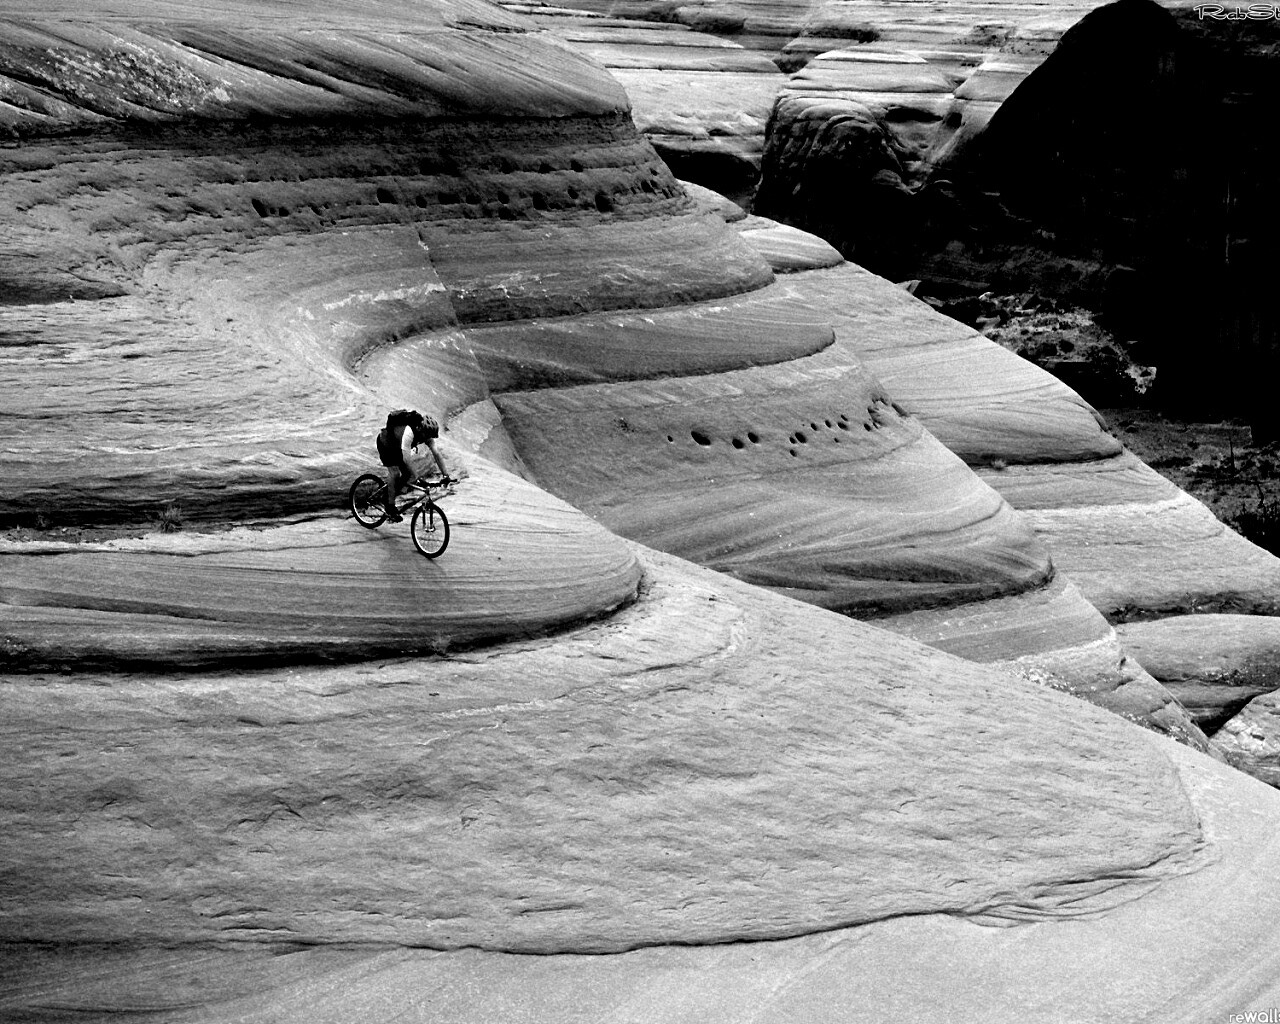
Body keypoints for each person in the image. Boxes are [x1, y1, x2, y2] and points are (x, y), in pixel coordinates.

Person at [377, 409, 450, 521]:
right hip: (386, 443)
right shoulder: (409, 432)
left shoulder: (426, 435)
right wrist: (416, 476)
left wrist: (446, 475)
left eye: (429, 436)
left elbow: (436, 453)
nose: (427, 438)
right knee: (395, 472)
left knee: (406, 475)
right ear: (421, 429)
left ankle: (389, 494)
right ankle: (390, 505)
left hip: (399, 447)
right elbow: (406, 458)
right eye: (426, 435)